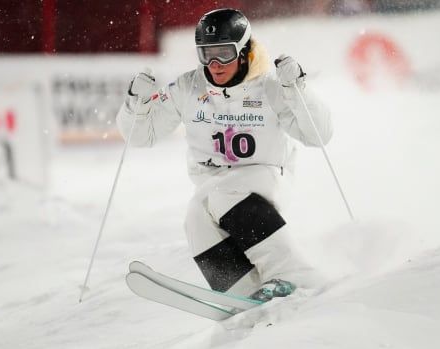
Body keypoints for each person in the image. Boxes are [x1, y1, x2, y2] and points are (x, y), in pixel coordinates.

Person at [116, 8, 332, 302]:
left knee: (224, 193)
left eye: (224, 53)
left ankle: (297, 275)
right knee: (195, 217)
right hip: (214, 184)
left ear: (243, 52)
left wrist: (298, 90)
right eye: (206, 54)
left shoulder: (269, 87)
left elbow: (319, 134)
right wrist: (135, 104)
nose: (214, 64)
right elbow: (140, 136)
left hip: (265, 175)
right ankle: (240, 293)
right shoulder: (189, 87)